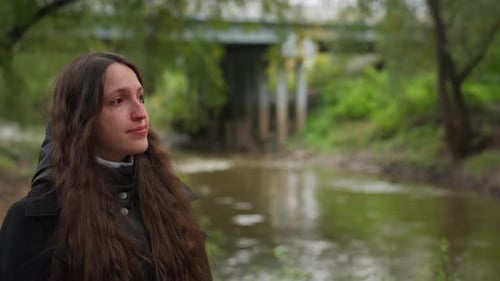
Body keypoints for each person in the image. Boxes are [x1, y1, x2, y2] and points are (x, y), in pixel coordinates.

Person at [0, 52, 212, 281]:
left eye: (141, 97)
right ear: (83, 118)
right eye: (118, 101)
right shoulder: (36, 220)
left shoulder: (171, 201)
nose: (140, 113)